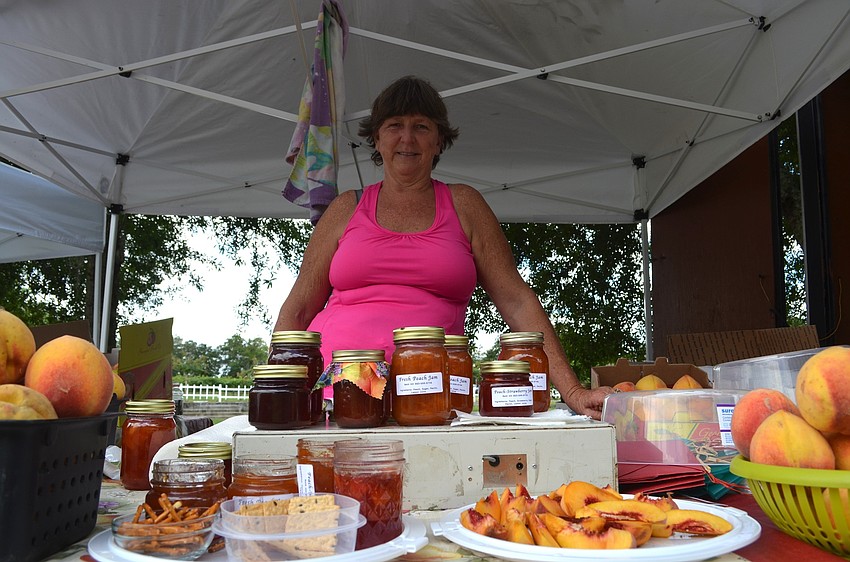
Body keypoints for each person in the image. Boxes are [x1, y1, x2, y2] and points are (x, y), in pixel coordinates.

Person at [274, 75, 613, 419]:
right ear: (376, 138)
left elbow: (517, 302)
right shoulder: (346, 208)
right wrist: (280, 389)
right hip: (344, 383)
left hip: (430, 388)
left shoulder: (464, 204)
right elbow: (298, 309)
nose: (407, 138)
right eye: (395, 125)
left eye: (421, 126)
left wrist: (573, 392)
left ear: (439, 141)